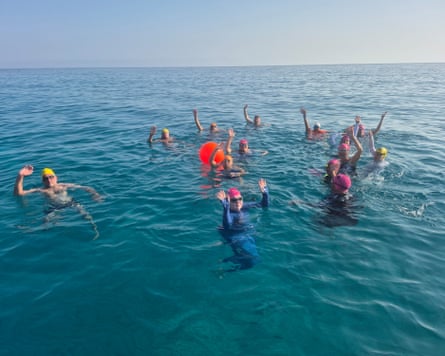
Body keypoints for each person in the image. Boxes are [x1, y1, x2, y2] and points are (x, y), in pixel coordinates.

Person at [13, 165, 102, 238]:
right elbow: (19, 193)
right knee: (45, 224)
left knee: (86, 215)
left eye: (51, 177)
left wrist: (95, 195)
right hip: (53, 208)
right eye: (45, 178)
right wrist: (20, 176)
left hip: (70, 203)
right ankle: (33, 233)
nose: (49, 180)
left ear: (56, 177)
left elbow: (86, 187)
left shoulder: (63, 185)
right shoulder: (41, 190)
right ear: (43, 181)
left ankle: (95, 229)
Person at [216, 178, 269, 271]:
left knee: (253, 259)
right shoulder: (230, 213)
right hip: (235, 237)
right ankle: (226, 267)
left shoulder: (245, 206)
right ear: (228, 202)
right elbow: (228, 225)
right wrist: (226, 208)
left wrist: (264, 192)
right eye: (234, 200)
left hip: (248, 234)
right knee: (253, 260)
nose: (238, 202)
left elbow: (264, 205)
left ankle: (226, 266)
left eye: (240, 199)